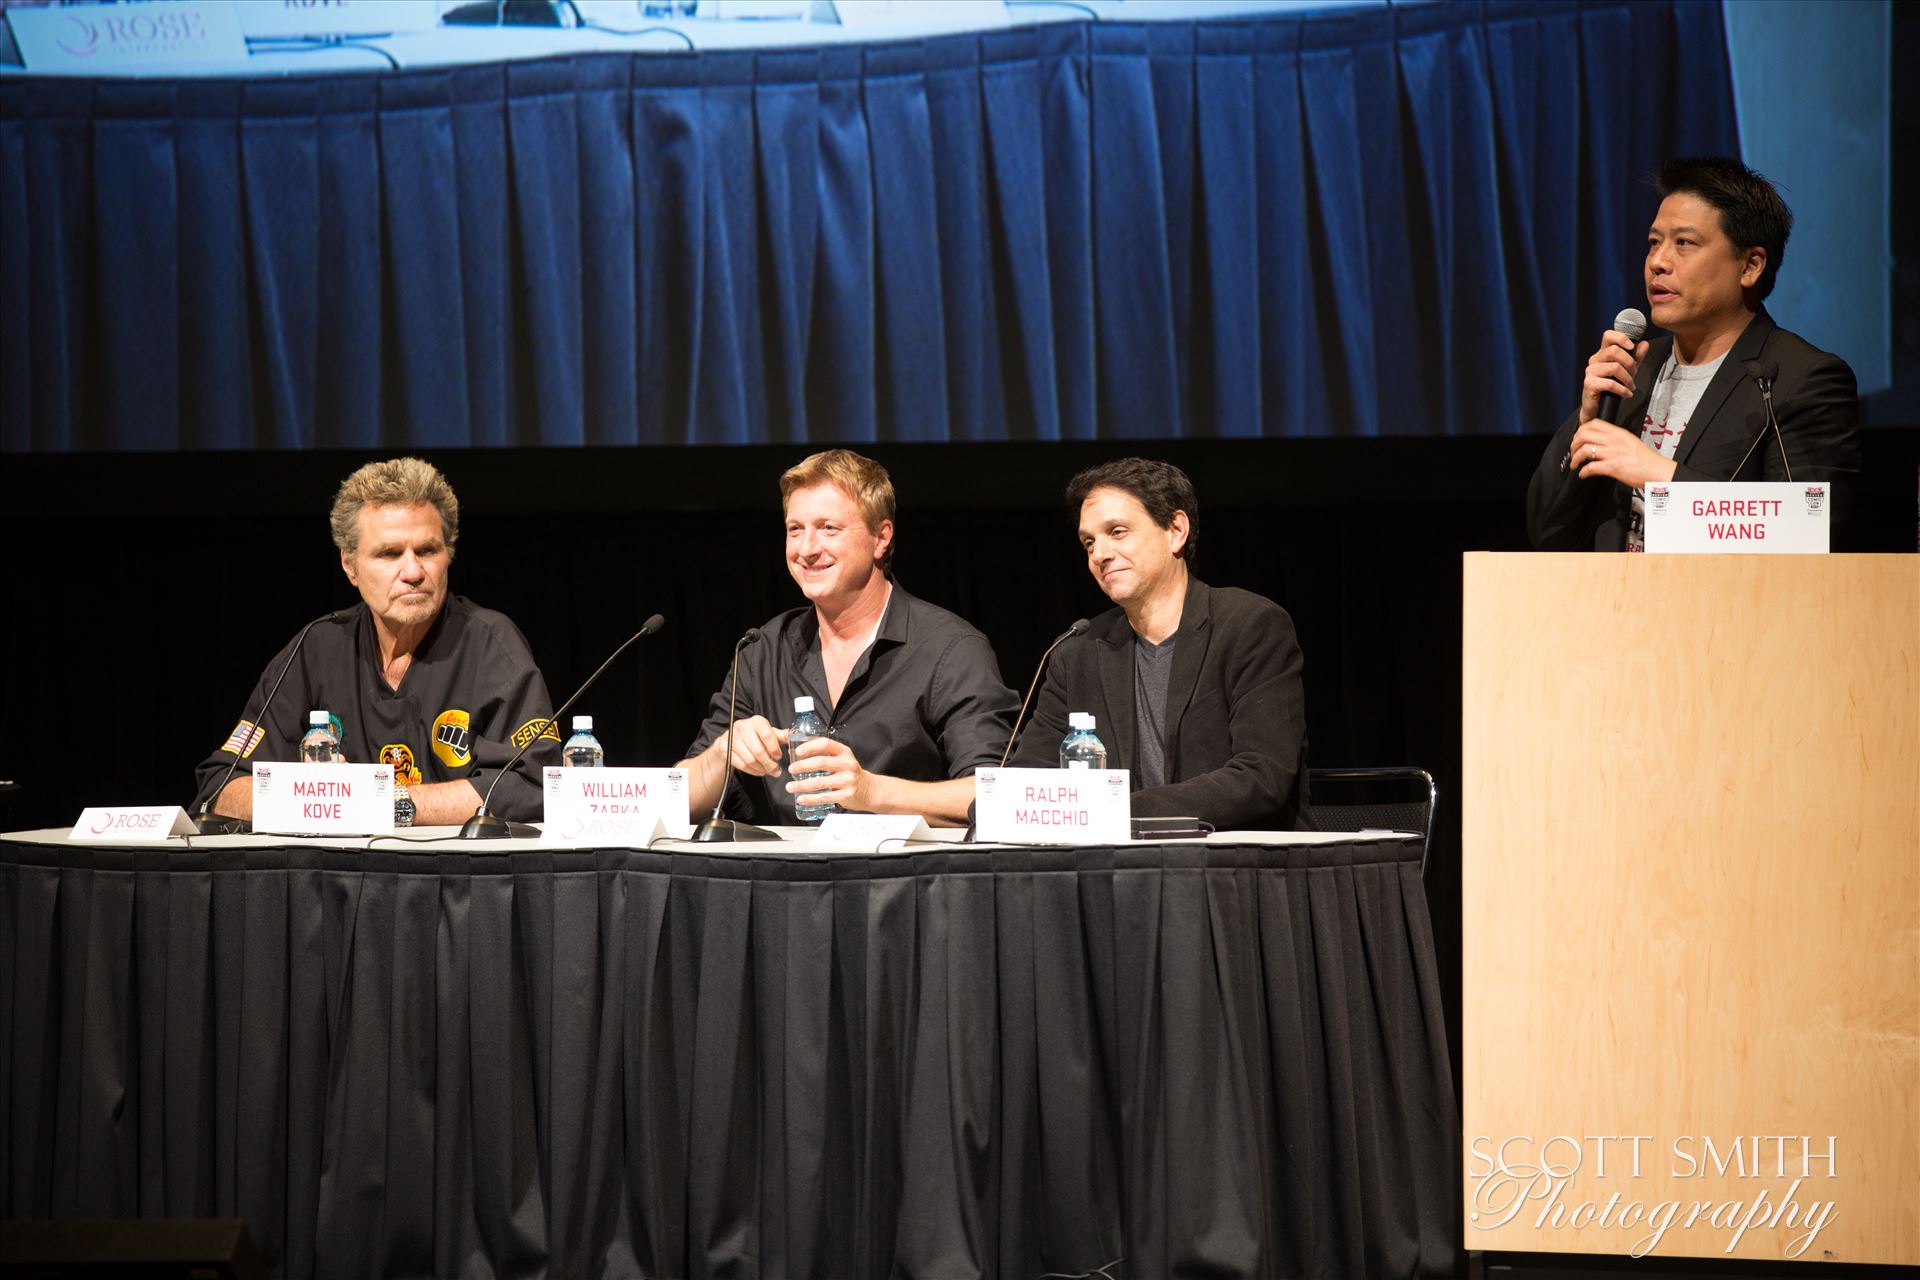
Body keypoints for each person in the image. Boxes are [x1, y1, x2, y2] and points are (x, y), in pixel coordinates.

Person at [193, 458, 561, 824]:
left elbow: (534, 786)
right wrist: (311, 798)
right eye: (389, 554)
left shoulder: (491, 643)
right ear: (349, 565)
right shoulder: (316, 648)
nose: (414, 572)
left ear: (449, 554)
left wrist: (381, 803)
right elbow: (220, 788)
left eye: (428, 551)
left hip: (456, 879)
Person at [1528, 156, 1861, 551]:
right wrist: (1586, 422)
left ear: (1750, 265)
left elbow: (1804, 535)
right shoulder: (1634, 369)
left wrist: (1659, 475)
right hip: (1613, 607)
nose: (1658, 262)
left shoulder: (1798, 379)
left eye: (1683, 243)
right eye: (1654, 242)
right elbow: (1546, 533)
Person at [679, 450, 1018, 827]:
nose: (806, 549)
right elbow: (679, 800)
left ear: (881, 538)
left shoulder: (951, 649)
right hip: (788, 879)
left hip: (906, 879)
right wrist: (721, 755)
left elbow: (995, 794)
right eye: (795, 529)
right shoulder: (762, 650)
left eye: (829, 528)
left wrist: (872, 792)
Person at [1009, 458, 1309, 831]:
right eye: (1089, 542)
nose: (1099, 554)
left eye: (1117, 532)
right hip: (1117, 874)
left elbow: (1261, 778)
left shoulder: (1250, 625)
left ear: (1176, 530)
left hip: (1235, 870)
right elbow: (1027, 780)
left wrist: (1117, 811)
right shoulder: (1078, 651)